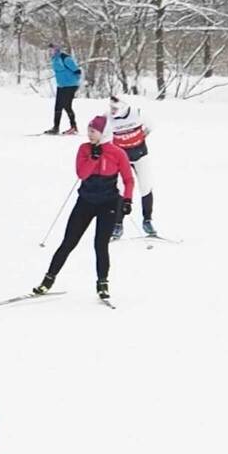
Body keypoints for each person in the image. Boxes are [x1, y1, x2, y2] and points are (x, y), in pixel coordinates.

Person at [33, 115, 133, 300]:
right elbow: (82, 173)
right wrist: (93, 159)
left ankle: (102, 284)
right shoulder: (84, 149)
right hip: (86, 201)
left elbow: (128, 179)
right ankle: (48, 280)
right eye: (88, 130)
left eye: (93, 131)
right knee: (69, 241)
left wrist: (127, 200)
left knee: (100, 245)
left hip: (109, 203)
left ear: (104, 133)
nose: (90, 135)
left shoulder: (117, 153)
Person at [108, 95, 155, 239]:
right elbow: (104, 135)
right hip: (123, 159)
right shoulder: (109, 118)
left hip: (140, 154)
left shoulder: (137, 113)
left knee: (145, 186)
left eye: (115, 108)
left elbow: (151, 126)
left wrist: (140, 137)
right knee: (122, 188)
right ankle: (118, 224)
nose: (112, 110)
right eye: (111, 108)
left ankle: (147, 220)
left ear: (124, 106)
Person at [45, 43, 82, 135]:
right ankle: (56, 128)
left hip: (70, 85)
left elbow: (77, 71)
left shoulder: (65, 58)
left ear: (57, 49)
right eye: (49, 50)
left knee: (66, 105)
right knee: (58, 106)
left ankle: (74, 127)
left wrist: (75, 83)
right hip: (61, 85)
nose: (50, 52)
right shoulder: (54, 59)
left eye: (52, 50)